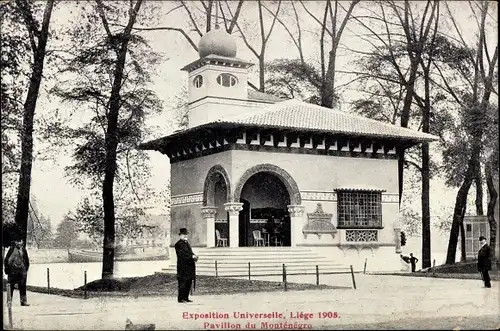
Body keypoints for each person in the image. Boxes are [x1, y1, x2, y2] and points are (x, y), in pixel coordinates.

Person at [4, 237, 30, 306]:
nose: (19, 243)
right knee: (10, 286)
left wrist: (25, 270)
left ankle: (23, 301)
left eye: (20, 241)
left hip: (22, 271)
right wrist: (7, 269)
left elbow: (27, 261)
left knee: (23, 286)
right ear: (15, 242)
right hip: (12, 271)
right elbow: (6, 260)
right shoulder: (12, 249)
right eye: (18, 241)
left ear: (22, 242)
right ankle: (9, 302)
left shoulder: (24, 250)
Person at [174, 228, 198, 303]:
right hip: (182, 267)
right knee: (182, 282)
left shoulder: (187, 243)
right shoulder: (178, 244)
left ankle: (186, 297)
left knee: (188, 282)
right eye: (184, 234)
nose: (185, 236)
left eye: (186, 234)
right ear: (180, 235)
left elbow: (190, 253)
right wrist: (191, 257)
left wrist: (194, 256)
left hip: (189, 267)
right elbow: (182, 255)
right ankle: (181, 298)